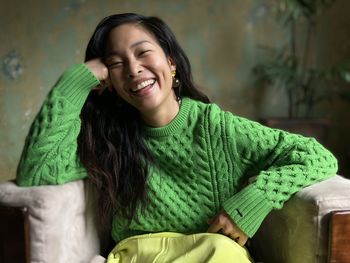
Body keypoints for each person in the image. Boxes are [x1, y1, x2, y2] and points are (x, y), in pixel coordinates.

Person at [16, 13, 338, 262]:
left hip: (213, 255)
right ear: (108, 83)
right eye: (116, 64)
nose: (133, 69)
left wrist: (254, 199)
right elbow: (38, 170)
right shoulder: (106, 141)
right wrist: (80, 78)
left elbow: (317, 157)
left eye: (143, 53)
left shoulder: (216, 128)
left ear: (171, 63)